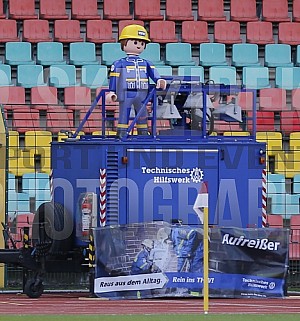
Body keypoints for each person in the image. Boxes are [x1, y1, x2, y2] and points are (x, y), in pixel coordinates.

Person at [106, 24, 167, 138]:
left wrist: (159, 80)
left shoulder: (146, 62)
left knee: (142, 113)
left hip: (143, 92)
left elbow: (154, 74)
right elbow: (113, 78)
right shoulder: (119, 63)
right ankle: (122, 132)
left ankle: (143, 132)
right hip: (126, 92)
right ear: (124, 43)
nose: (139, 45)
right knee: (124, 112)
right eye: (135, 42)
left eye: (142, 43)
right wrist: (111, 91)